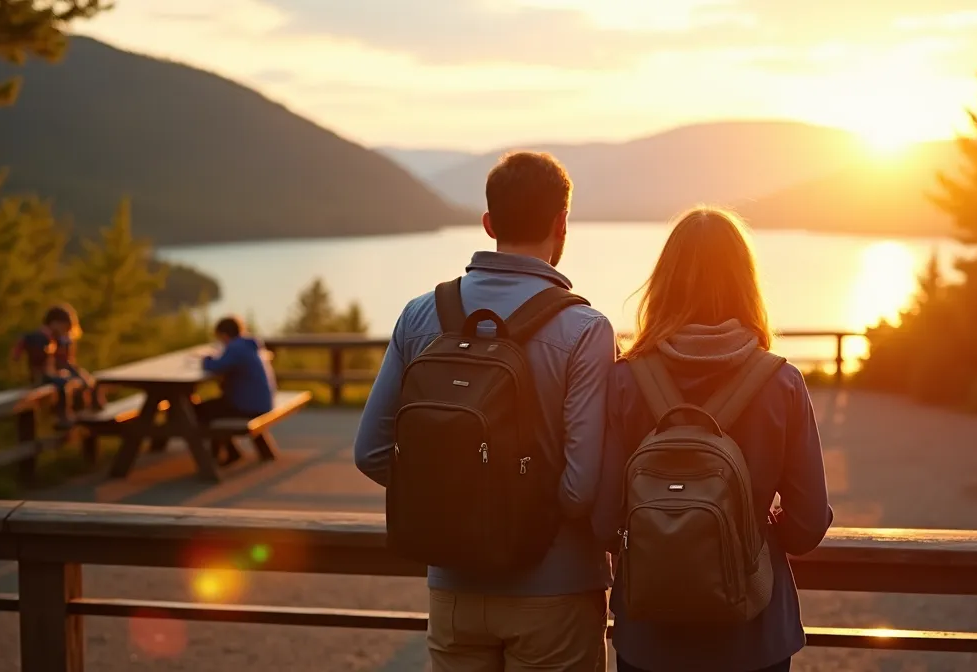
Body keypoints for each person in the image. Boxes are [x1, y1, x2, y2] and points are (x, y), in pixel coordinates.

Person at [353, 151, 617, 672]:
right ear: (562, 223)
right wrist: (518, 517)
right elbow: (581, 485)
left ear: (489, 223)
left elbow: (372, 451)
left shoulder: (422, 314)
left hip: (454, 589)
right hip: (555, 589)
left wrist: (454, 502)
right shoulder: (586, 330)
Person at [591, 207, 833, 672]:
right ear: (746, 282)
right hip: (753, 636)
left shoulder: (624, 380)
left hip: (651, 638)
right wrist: (749, 527)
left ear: (663, 282)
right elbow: (806, 527)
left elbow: (604, 521)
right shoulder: (781, 383)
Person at [198, 315, 278, 466]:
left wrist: (206, 359)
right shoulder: (247, 345)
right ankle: (229, 452)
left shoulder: (236, 348)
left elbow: (215, 367)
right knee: (213, 407)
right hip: (261, 401)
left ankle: (214, 458)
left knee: (201, 411)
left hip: (248, 406)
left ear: (224, 335)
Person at [12, 305, 102, 429]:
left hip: (48, 372)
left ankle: (80, 410)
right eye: (64, 326)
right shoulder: (42, 337)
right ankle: (63, 416)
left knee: (78, 380)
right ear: (55, 323)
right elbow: (42, 359)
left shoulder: (54, 338)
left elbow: (62, 360)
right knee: (64, 383)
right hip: (41, 374)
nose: (65, 331)